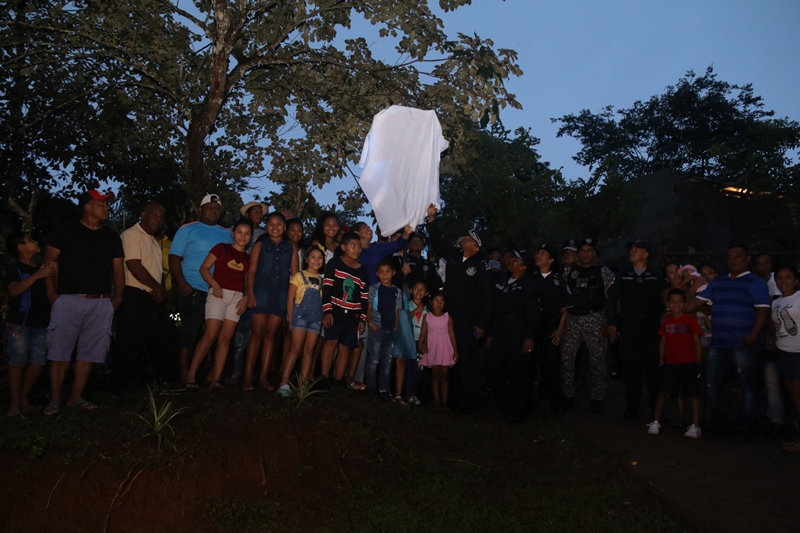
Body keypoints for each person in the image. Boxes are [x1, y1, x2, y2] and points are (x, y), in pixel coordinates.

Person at [42, 190, 125, 414]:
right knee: (59, 350)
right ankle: (55, 398)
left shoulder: (111, 236)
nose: (107, 207)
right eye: (102, 204)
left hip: (101, 301)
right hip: (69, 299)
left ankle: (76, 396)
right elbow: (49, 263)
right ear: (88, 206)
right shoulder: (66, 230)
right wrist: (52, 296)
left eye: (107, 204)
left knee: (90, 352)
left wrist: (117, 297)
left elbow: (118, 269)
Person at [687, 244, 771, 442]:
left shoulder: (756, 282)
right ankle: (721, 424)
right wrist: (691, 288)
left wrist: (753, 335)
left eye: (738, 256)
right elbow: (692, 305)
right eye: (730, 257)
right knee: (712, 384)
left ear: (747, 259)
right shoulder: (719, 282)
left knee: (748, 386)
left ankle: (745, 427)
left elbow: (763, 310)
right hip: (719, 343)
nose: (733, 260)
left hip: (743, 344)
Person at [425, 204, 493, 413]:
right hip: (448, 317)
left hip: (468, 321)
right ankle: (450, 399)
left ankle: (466, 402)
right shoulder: (454, 255)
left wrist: (481, 324)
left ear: (476, 247)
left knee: (465, 359)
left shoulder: (482, 266)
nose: (466, 238)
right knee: (448, 356)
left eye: (470, 238)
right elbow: (438, 243)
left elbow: (487, 299)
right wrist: (432, 220)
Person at [110, 202, 177, 394]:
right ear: (143, 214)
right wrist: (157, 288)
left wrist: (160, 290)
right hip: (135, 294)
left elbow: (158, 270)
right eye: (154, 214)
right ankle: (121, 385)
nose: (158, 218)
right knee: (131, 340)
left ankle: (160, 379)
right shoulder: (132, 235)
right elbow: (134, 265)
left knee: (165, 335)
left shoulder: (153, 241)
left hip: (152, 297)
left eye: (161, 216)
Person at [169, 193, 232, 383]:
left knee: (214, 333)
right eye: (209, 207)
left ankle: (210, 374)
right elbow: (174, 257)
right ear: (200, 209)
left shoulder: (227, 234)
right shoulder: (188, 229)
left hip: (218, 290)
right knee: (190, 330)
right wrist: (181, 283)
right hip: (193, 286)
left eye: (217, 208)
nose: (213, 211)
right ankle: (184, 374)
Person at [185, 219, 252, 389]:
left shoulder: (248, 258)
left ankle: (215, 381)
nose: (243, 236)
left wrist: (246, 297)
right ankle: (190, 377)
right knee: (210, 334)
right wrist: (214, 285)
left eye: (247, 233)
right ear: (233, 233)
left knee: (226, 339)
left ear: (250, 236)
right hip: (218, 294)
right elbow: (204, 268)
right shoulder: (221, 248)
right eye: (239, 232)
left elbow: (247, 281)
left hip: (237, 298)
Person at [605, 240, 665, 421]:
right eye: (631, 248)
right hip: (629, 326)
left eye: (637, 249)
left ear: (646, 254)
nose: (633, 251)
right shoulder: (623, 274)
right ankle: (632, 409)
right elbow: (611, 299)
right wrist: (612, 323)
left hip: (652, 327)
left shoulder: (656, 274)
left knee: (654, 369)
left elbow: (665, 298)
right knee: (631, 369)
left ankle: (656, 411)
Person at [243, 212, 298, 391]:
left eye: (279, 224)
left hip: (281, 295)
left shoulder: (291, 248)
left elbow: (295, 276)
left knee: (271, 335)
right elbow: (251, 271)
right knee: (257, 333)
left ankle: (263, 378)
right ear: (266, 227)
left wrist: (293, 301)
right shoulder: (259, 245)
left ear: (284, 227)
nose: (275, 227)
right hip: (261, 292)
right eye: (271, 224)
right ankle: (247, 377)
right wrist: (250, 293)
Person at [3, 233, 56, 416]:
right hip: (19, 322)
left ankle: (24, 398)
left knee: (39, 361)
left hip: (41, 322)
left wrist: (53, 273)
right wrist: (38, 275)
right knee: (17, 361)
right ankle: (15, 403)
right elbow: (14, 290)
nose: (36, 242)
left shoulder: (42, 268)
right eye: (30, 241)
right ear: (20, 247)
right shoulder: (14, 268)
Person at [561, 238, 614, 413]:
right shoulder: (569, 272)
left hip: (595, 318)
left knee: (597, 360)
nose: (585, 253)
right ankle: (568, 395)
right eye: (582, 250)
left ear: (595, 253)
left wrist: (609, 321)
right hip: (572, 319)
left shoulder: (604, 272)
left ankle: (597, 397)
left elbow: (611, 299)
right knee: (567, 358)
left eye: (589, 250)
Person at [486, 250, 539, 422]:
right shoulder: (504, 282)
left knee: (518, 373)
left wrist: (530, 337)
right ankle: (505, 405)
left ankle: (519, 411)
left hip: (518, 333)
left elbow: (533, 313)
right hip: (501, 332)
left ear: (523, 267)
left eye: (516, 260)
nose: (511, 262)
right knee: (493, 368)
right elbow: (496, 310)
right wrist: (491, 333)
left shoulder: (528, 285)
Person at [647, 289, 703, 438]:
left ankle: (696, 425)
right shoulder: (666, 321)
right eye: (673, 302)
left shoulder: (690, 321)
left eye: (679, 302)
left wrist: (698, 361)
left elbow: (697, 342)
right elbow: (663, 341)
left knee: (693, 394)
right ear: (667, 303)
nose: (676, 305)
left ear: (684, 304)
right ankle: (655, 421)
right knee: (664, 392)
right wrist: (661, 360)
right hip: (671, 363)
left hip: (689, 363)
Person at [320, 232, 369, 387]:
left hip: (352, 316)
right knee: (330, 342)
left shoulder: (363, 271)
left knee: (345, 347)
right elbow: (326, 288)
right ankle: (324, 378)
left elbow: (364, 298)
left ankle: (339, 380)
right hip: (334, 312)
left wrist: (362, 319)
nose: (357, 249)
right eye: (353, 246)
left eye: (359, 246)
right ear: (343, 247)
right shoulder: (334, 263)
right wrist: (327, 311)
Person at [277, 246, 325, 396]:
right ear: (306, 259)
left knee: (309, 350)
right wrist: (290, 319)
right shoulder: (298, 276)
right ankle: (283, 383)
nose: (316, 260)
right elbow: (290, 298)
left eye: (320, 257)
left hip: (316, 318)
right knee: (296, 348)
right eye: (313, 256)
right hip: (300, 317)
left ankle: (303, 385)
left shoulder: (323, 280)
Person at [530, 243, 572, 414]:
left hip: (550, 327)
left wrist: (560, 330)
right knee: (530, 362)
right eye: (538, 252)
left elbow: (565, 307)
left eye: (543, 253)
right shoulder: (531, 278)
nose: (538, 255)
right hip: (532, 327)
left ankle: (555, 401)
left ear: (551, 260)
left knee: (551, 363)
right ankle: (532, 399)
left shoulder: (558, 280)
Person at [770, 266, 800, 453]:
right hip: (783, 352)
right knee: (791, 393)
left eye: (788, 277)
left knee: (797, 394)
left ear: (796, 280)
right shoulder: (776, 302)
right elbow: (776, 326)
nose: (783, 281)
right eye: (779, 278)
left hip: (798, 352)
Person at [365, 258, 403, 401]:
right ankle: (371, 389)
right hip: (377, 328)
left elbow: (397, 310)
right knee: (374, 359)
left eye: (387, 272)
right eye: (381, 272)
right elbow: (369, 307)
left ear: (393, 273)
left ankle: (383, 390)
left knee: (387, 361)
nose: (384, 275)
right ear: (377, 274)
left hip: (391, 330)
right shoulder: (374, 288)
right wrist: (369, 322)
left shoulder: (397, 291)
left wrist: (396, 326)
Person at [418, 290, 458, 408]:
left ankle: (444, 402)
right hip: (433, 349)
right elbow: (423, 333)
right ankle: (436, 401)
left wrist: (455, 350)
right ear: (431, 302)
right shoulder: (427, 317)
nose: (439, 303)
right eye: (436, 300)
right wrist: (421, 345)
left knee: (444, 376)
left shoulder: (447, 317)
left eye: (442, 301)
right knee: (435, 375)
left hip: (445, 348)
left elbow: (452, 335)